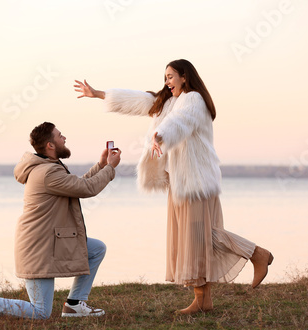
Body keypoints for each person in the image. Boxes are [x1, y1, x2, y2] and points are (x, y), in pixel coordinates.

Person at [74, 59, 273, 315]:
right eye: (165, 77)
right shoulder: (169, 101)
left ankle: (257, 253)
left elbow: (180, 122)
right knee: (194, 240)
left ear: (184, 77)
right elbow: (138, 100)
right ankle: (203, 302)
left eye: (170, 77)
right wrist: (98, 94)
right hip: (181, 181)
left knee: (198, 238)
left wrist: (160, 136)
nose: (167, 82)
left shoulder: (193, 100)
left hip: (195, 181)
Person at [0, 122, 121, 319]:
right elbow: (86, 189)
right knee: (40, 312)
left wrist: (102, 166)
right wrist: (110, 168)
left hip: (49, 243)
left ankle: (74, 304)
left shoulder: (48, 168)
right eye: (60, 135)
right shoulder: (48, 173)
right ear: (50, 145)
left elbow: (78, 185)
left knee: (96, 249)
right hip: (39, 248)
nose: (64, 138)